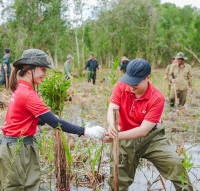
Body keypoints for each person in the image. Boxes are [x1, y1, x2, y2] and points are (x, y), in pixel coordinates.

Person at [0, 49, 106, 190]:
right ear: (29, 70)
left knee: (28, 185)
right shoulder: (28, 94)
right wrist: (86, 131)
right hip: (17, 148)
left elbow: (23, 119)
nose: (45, 74)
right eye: (43, 70)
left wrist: (44, 120)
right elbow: (56, 124)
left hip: (19, 144)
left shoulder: (21, 88)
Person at [104, 58, 193, 191]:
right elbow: (112, 108)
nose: (131, 86)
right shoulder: (121, 86)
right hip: (123, 137)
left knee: (175, 165)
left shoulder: (157, 98)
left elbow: (144, 130)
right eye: (129, 81)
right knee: (118, 182)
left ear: (147, 77)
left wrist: (116, 136)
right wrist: (112, 125)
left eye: (135, 83)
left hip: (151, 138)